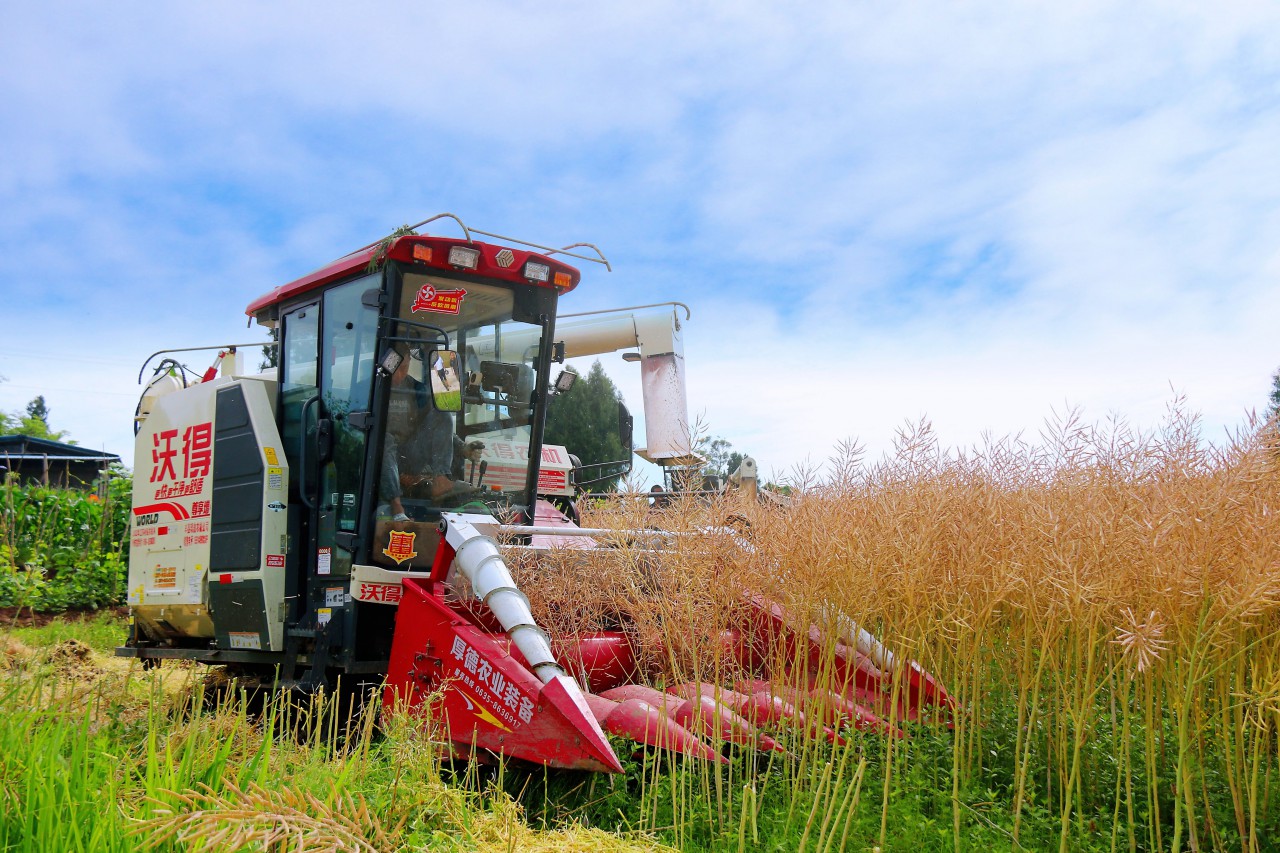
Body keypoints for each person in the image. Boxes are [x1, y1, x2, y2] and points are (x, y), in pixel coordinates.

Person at [379, 346, 464, 520]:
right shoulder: (373, 389)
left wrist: (464, 447)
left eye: (406, 368)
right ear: (388, 365)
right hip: (379, 459)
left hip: (409, 455)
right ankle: (397, 507)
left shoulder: (416, 389)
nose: (402, 374)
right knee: (384, 438)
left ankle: (441, 478)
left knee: (442, 412)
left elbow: (435, 426)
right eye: (398, 369)